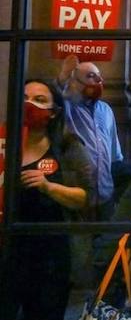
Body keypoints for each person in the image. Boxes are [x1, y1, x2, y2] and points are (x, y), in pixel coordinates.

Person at [1, 80, 93, 320]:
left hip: (51, 256)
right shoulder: (4, 143)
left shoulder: (67, 146)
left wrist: (48, 186)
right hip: (7, 251)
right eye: (24, 97)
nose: (29, 104)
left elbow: (87, 197)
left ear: (53, 113)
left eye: (40, 100)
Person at [57, 55, 123, 219]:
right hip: (79, 196)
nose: (98, 80)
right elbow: (54, 98)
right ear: (74, 82)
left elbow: (114, 154)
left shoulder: (106, 110)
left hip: (106, 195)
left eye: (98, 75)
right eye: (90, 76)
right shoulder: (67, 107)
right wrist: (64, 75)